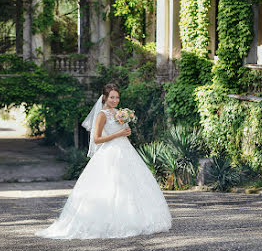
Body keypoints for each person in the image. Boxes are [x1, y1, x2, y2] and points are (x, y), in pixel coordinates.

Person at [35, 83, 172, 239]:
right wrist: (119, 134)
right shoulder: (102, 114)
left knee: (132, 184)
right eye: (112, 97)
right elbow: (97, 139)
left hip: (126, 150)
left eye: (117, 97)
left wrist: (126, 132)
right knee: (111, 186)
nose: (115, 100)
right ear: (105, 97)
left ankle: (137, 219)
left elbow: (122, 132)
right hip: (109, 153)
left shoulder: (119, 112)